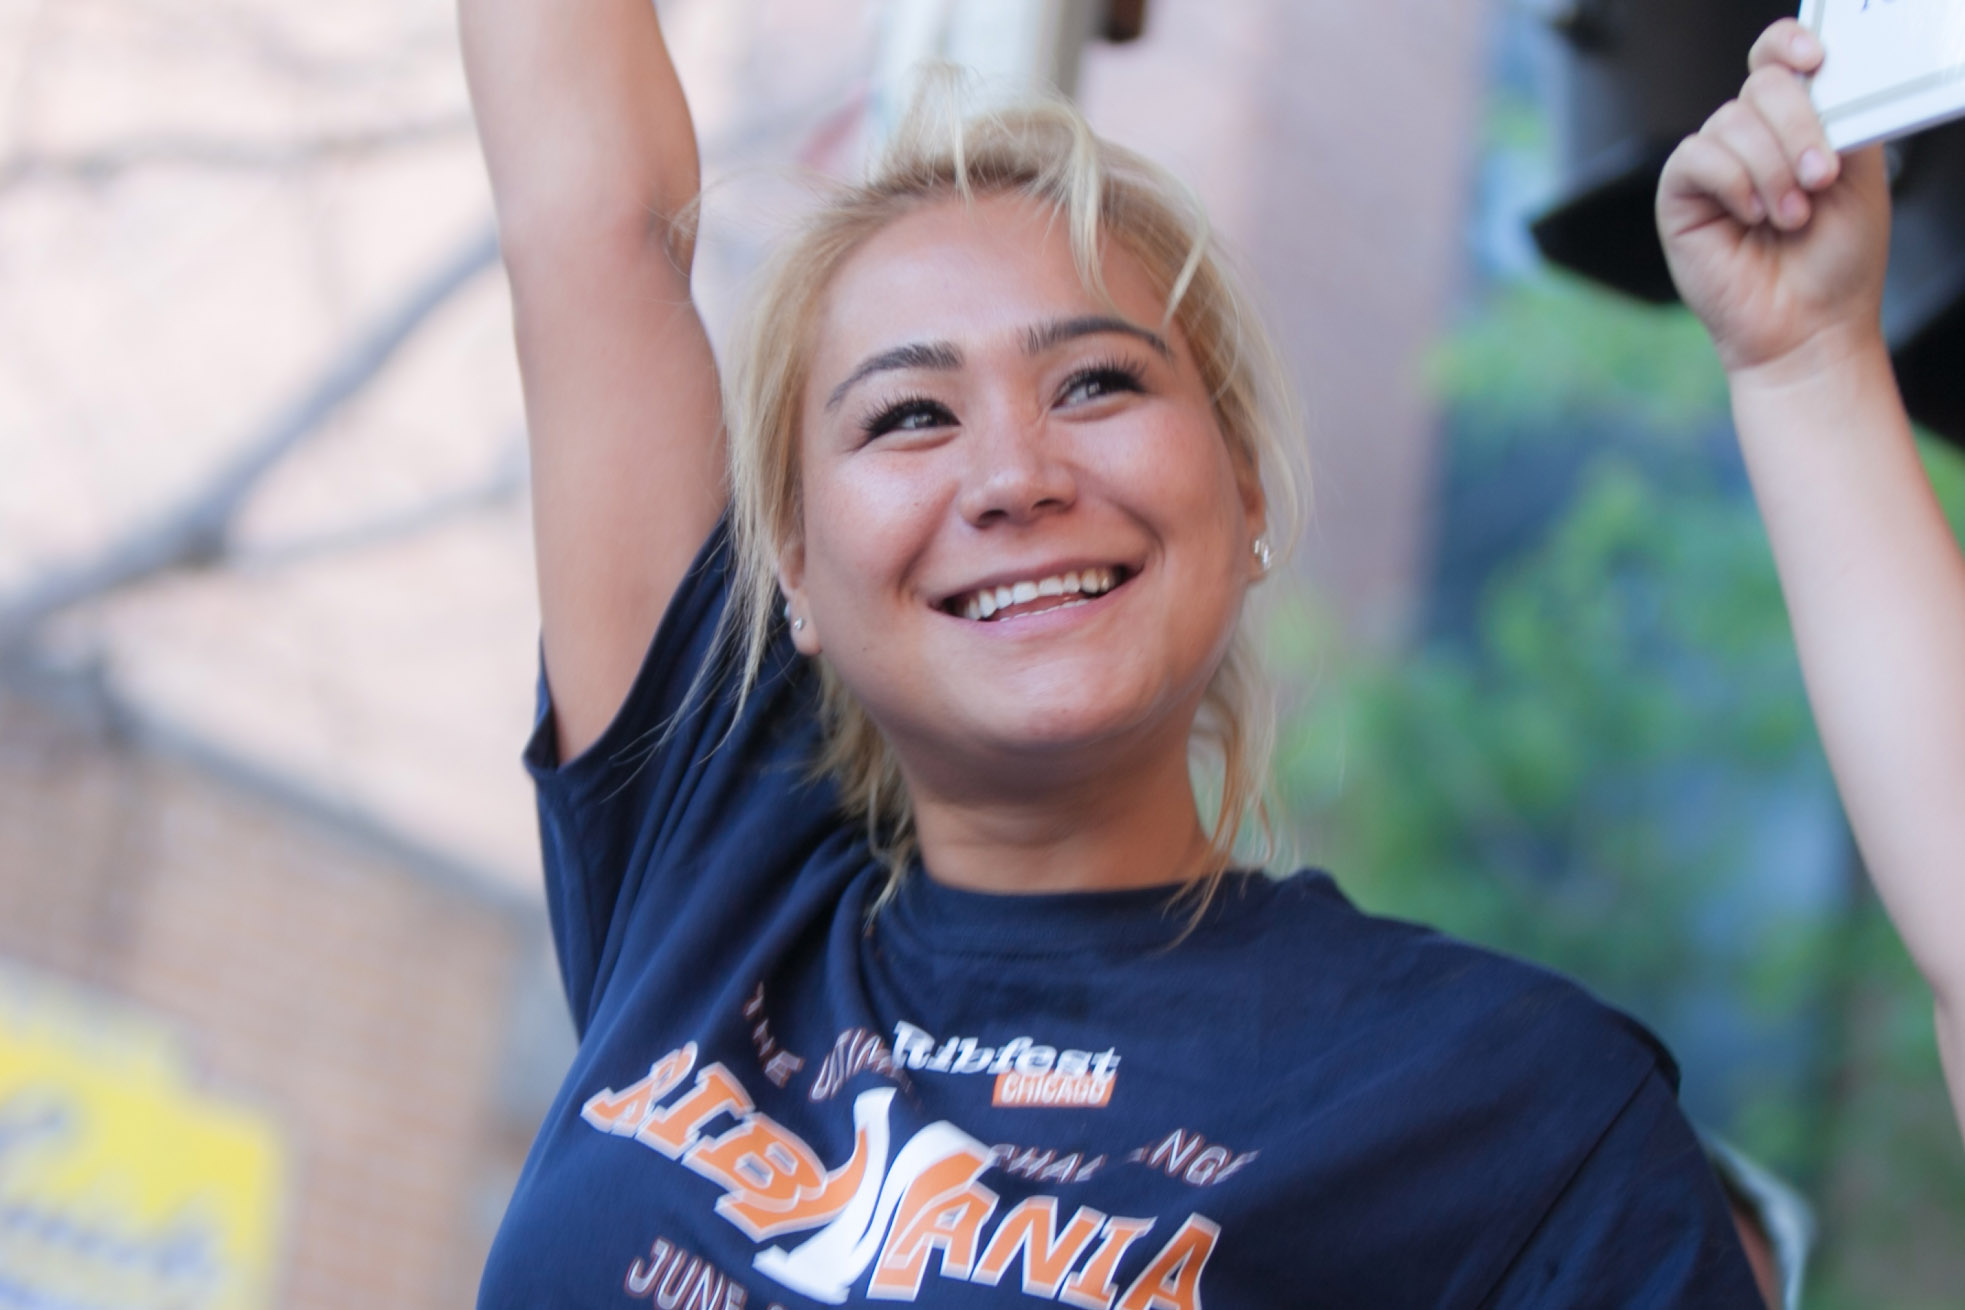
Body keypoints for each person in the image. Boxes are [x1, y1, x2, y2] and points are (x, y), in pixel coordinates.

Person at [458, 1, 1949, 1302]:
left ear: (1242, 492)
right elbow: (589, 217)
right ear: (791, 566)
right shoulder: (714, 879)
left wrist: (1808, 364)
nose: (1011, 473)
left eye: (1096, 381)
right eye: (908, 414)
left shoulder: (1497, 1106)